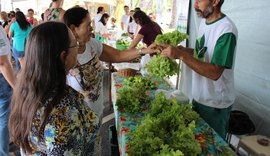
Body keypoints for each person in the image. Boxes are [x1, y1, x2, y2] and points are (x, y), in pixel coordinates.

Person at [9, 22, 101, 155]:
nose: (78, 46)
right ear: (64, 56)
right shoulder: (64, 113)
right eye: (75, 44)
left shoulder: (28, 90)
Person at [159, 0, 238, 139]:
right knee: (197, 143)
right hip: (199, 98)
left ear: (215, 1)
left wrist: (182, 55)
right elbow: (201, 53)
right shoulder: (205, 22)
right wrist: (181, 50)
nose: (195, 5)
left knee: (211, 147)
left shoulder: (226, 30)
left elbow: (214, 72)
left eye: (200, 0)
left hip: (215, 105)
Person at [63, 7, 157, 117]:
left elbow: (118, 55)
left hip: (97, 114)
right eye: (88, 25)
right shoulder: (66, 56)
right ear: (74, 29)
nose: (92, 29)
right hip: (78, 121)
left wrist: (145, 50)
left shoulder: (93, 44)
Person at [0, 25, 15, 156]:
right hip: (1, 78)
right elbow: (2, 63)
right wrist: (17, 87)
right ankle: (3, 152)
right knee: (3, 119)